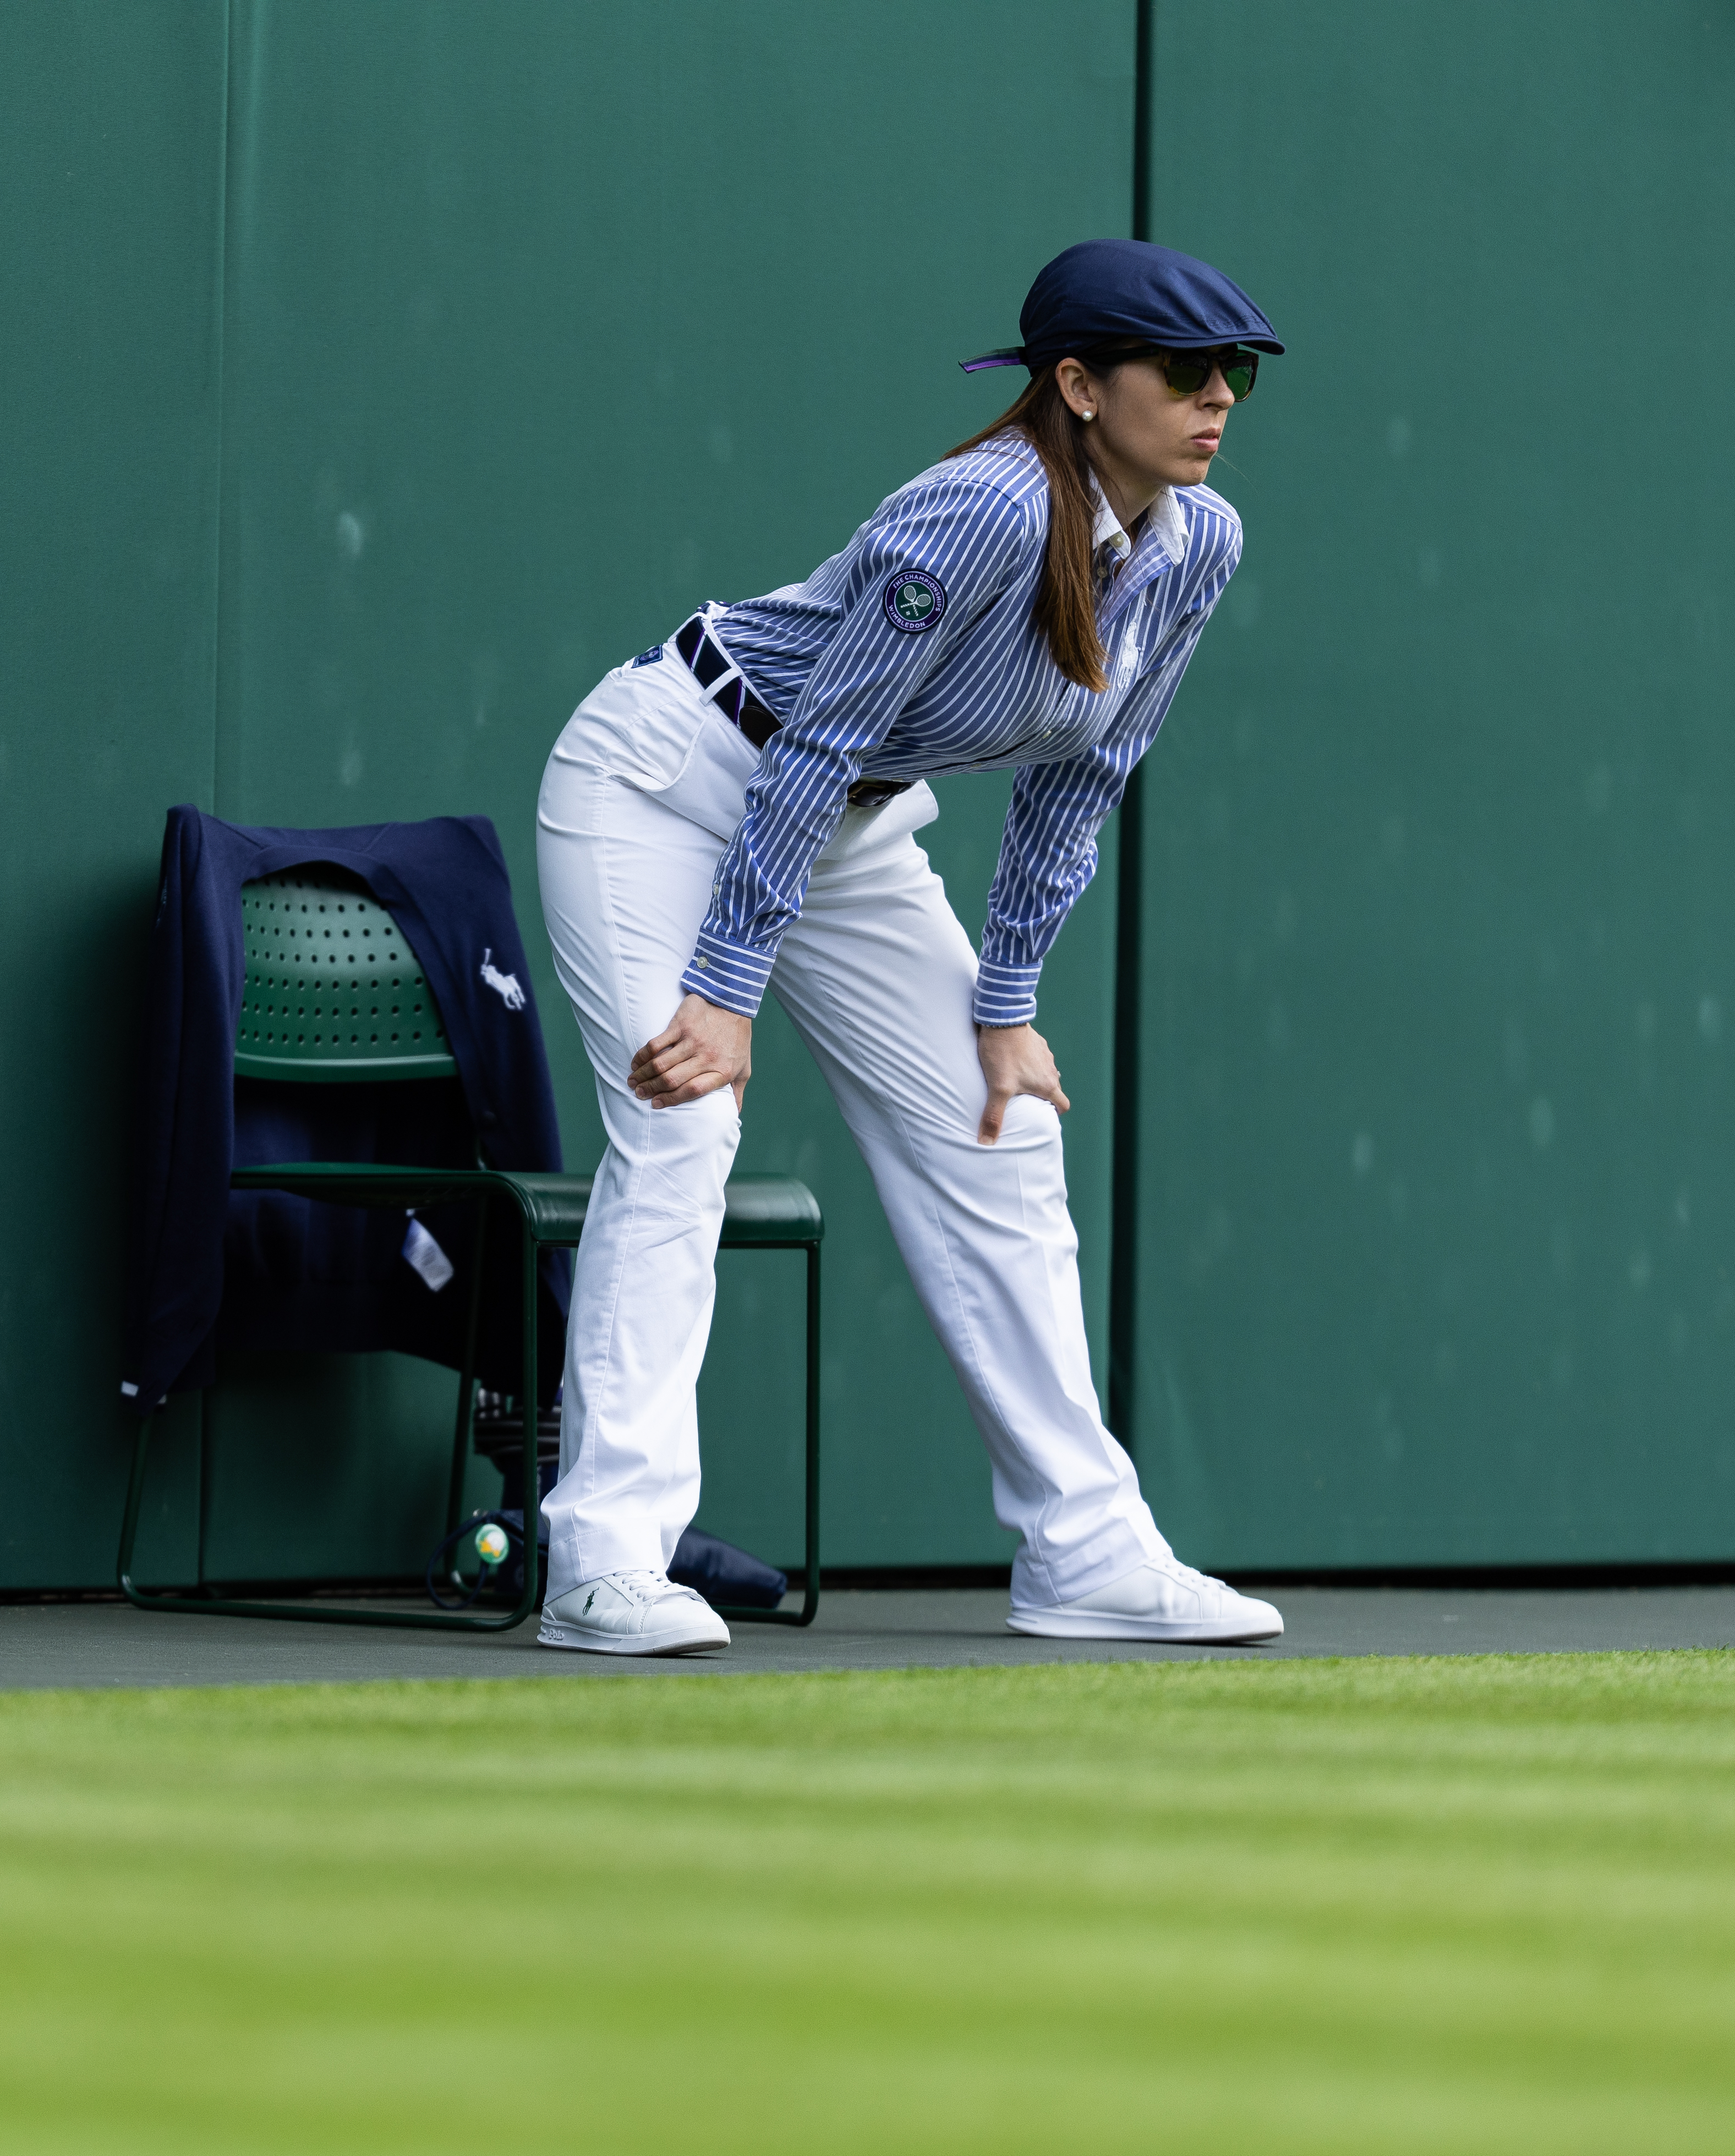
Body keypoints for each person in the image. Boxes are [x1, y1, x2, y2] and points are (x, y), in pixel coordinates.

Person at [530, 238, 1287, 1656]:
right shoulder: (980, 510)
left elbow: (1085, 774)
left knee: (1004, 1130)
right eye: (1186, 370)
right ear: (1079, 385)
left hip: (845, 828)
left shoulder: (1200, 543)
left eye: (1235, 371)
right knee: (685, 1118)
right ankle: (604, 1561)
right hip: (669, 781)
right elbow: (818, 738)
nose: (1220, 398)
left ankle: (1088, 1552)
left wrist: (1008, 1003)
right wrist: (725, 986)